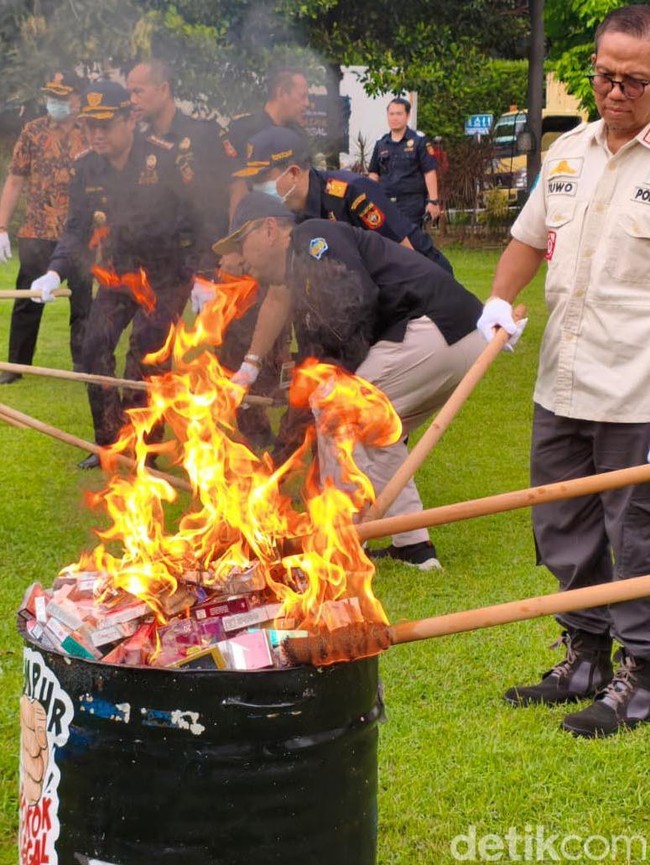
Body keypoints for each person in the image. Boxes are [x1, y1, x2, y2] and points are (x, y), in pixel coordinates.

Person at [477, 4, 650, 738]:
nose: (615, 92)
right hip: (562, 383)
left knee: (637, 538)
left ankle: (641, 676)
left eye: (634, 80)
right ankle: (584, 658)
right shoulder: (570, 152)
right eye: (605, 75)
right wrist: (498, 300)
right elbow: (526, 239)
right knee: (563, 526)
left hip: (638, 392)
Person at [214, 192, 485, 570]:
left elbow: (356, 301)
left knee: (336, 407)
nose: (241, 258)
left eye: (241, 243)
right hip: (456, 338)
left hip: (436, 327)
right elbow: (314, 331)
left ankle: (340, 540)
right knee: (372, 433)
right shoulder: (299, 268)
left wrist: (329, 377)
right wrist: (273, 377)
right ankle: (414, 547)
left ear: (270, 230)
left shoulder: (313, 238)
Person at [29, 81, 208, 469]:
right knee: (93, 346)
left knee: (148, 351)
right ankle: (108, 443)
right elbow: (76, 228)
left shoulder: (164, 158)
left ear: (130, 119)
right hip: (118, 274)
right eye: (90, 125)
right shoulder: (86, 167)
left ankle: (145, 448)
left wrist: (204, 274)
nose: (96, 134)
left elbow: (198, 218)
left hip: (166, 275)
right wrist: (54, 272)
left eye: (105, 125)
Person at [234, 125, 453, 274]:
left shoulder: (352, 193)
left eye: (261, 179)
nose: (255, 188)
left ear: (293, 173)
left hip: (423, 281)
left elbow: (405, 259)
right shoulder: (288, 214)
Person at [0, 70, 92, 384]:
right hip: (37, 230)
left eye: (62, 96)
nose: (55, 102)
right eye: (51, 95)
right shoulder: (33, 131)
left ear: (78, 99)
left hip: (80, 233)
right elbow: (15, 180)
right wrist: (1, 227)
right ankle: (16, 366)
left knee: (83, 301)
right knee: (27, 300)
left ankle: (84, 365)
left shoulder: (91, 132)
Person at [126, 59, 231, 243]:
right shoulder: (138, 145)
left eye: (138, 91)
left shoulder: (206, 134)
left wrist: (233, 245)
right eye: (130, 93)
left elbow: (237, 189)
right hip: (160, 254)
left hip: (207, 250)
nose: (132, 100)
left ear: (164, 89)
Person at [222, 66, 311, 219]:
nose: (307, 103)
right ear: (281, 92)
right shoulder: (242, 129)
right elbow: (236, 189)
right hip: (253, 221)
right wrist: (236, 231)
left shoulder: (299, 136)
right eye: (302, 96)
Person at [368, 97, 442, 227]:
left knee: (410, 238)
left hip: (411, 205)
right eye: (391, 114)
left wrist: (433, 201)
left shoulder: (419, 141)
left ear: (407, 116)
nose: (394, 118)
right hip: (385, 203)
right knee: (385, 238)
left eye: (399, 114)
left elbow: (429, 171)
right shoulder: (381, 143)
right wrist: (370, 198)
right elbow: (374, 174)